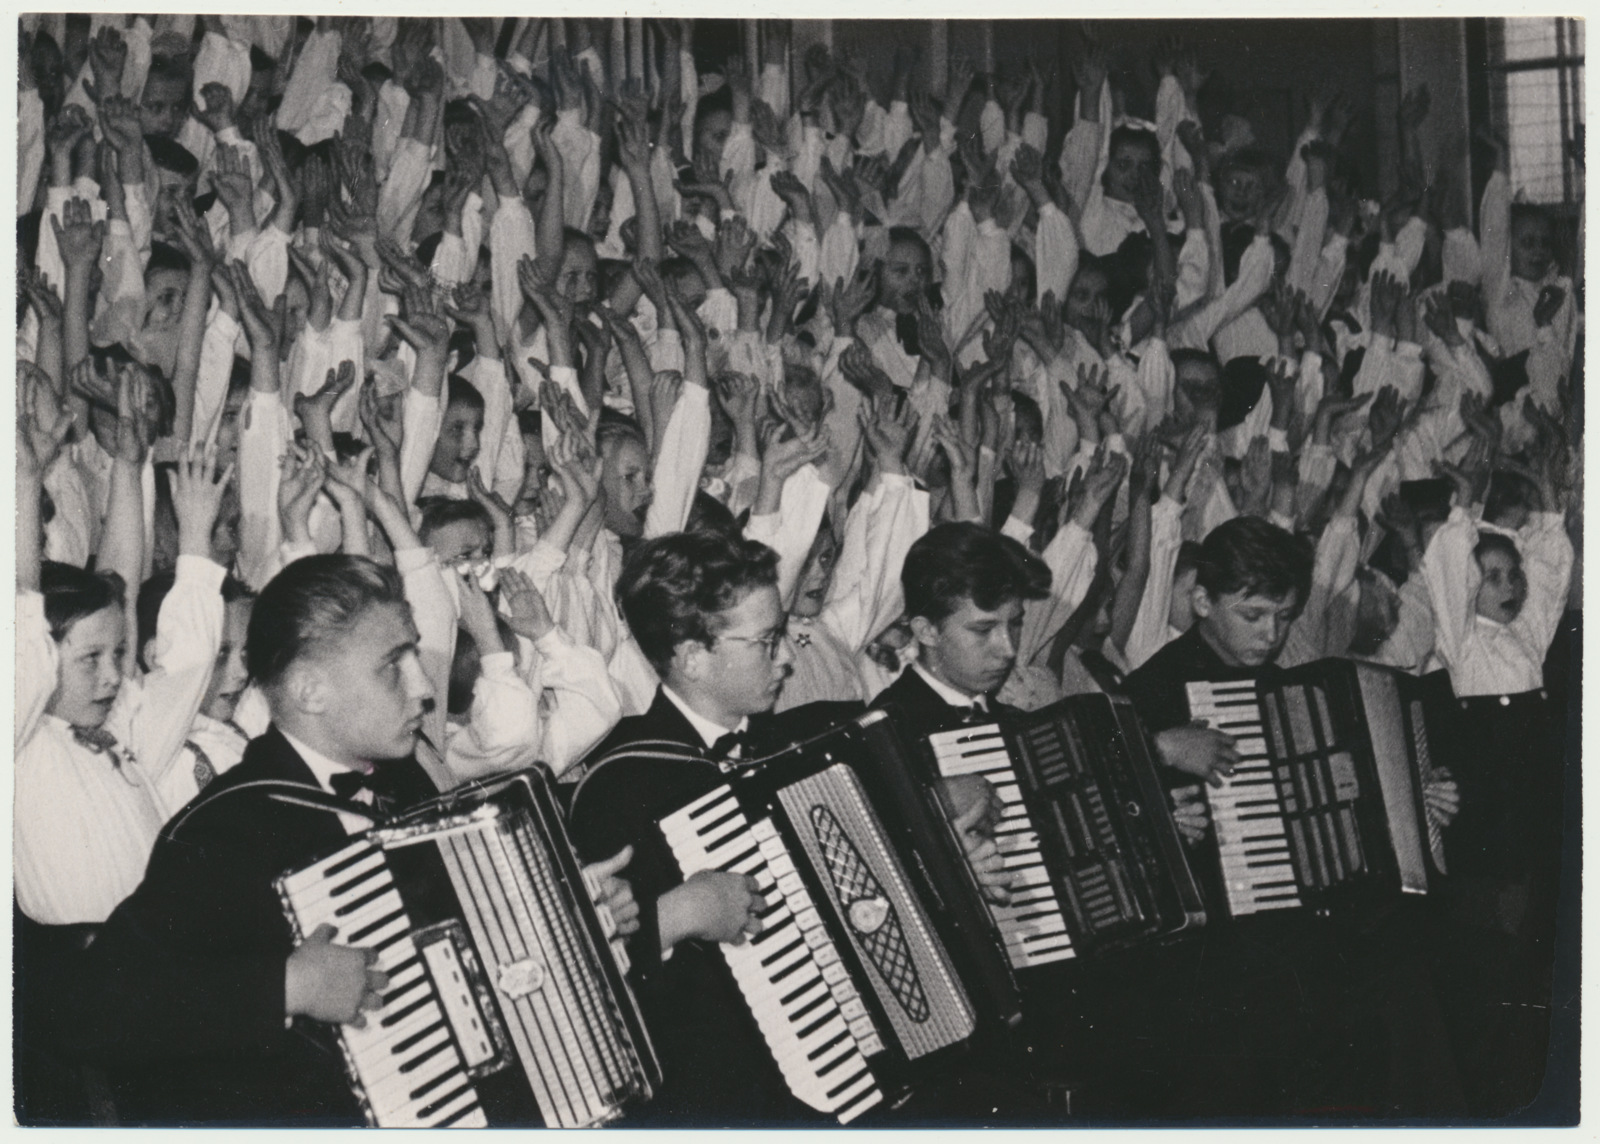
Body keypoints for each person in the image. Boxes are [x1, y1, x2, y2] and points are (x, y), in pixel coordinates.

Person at [38, 555, 638, 1125]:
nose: (424, 689)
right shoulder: (227, 830)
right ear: (309, 691)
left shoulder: (404, 785)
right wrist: (286, 984)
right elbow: (91, 1010)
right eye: (392, 664)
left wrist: (567, 923)